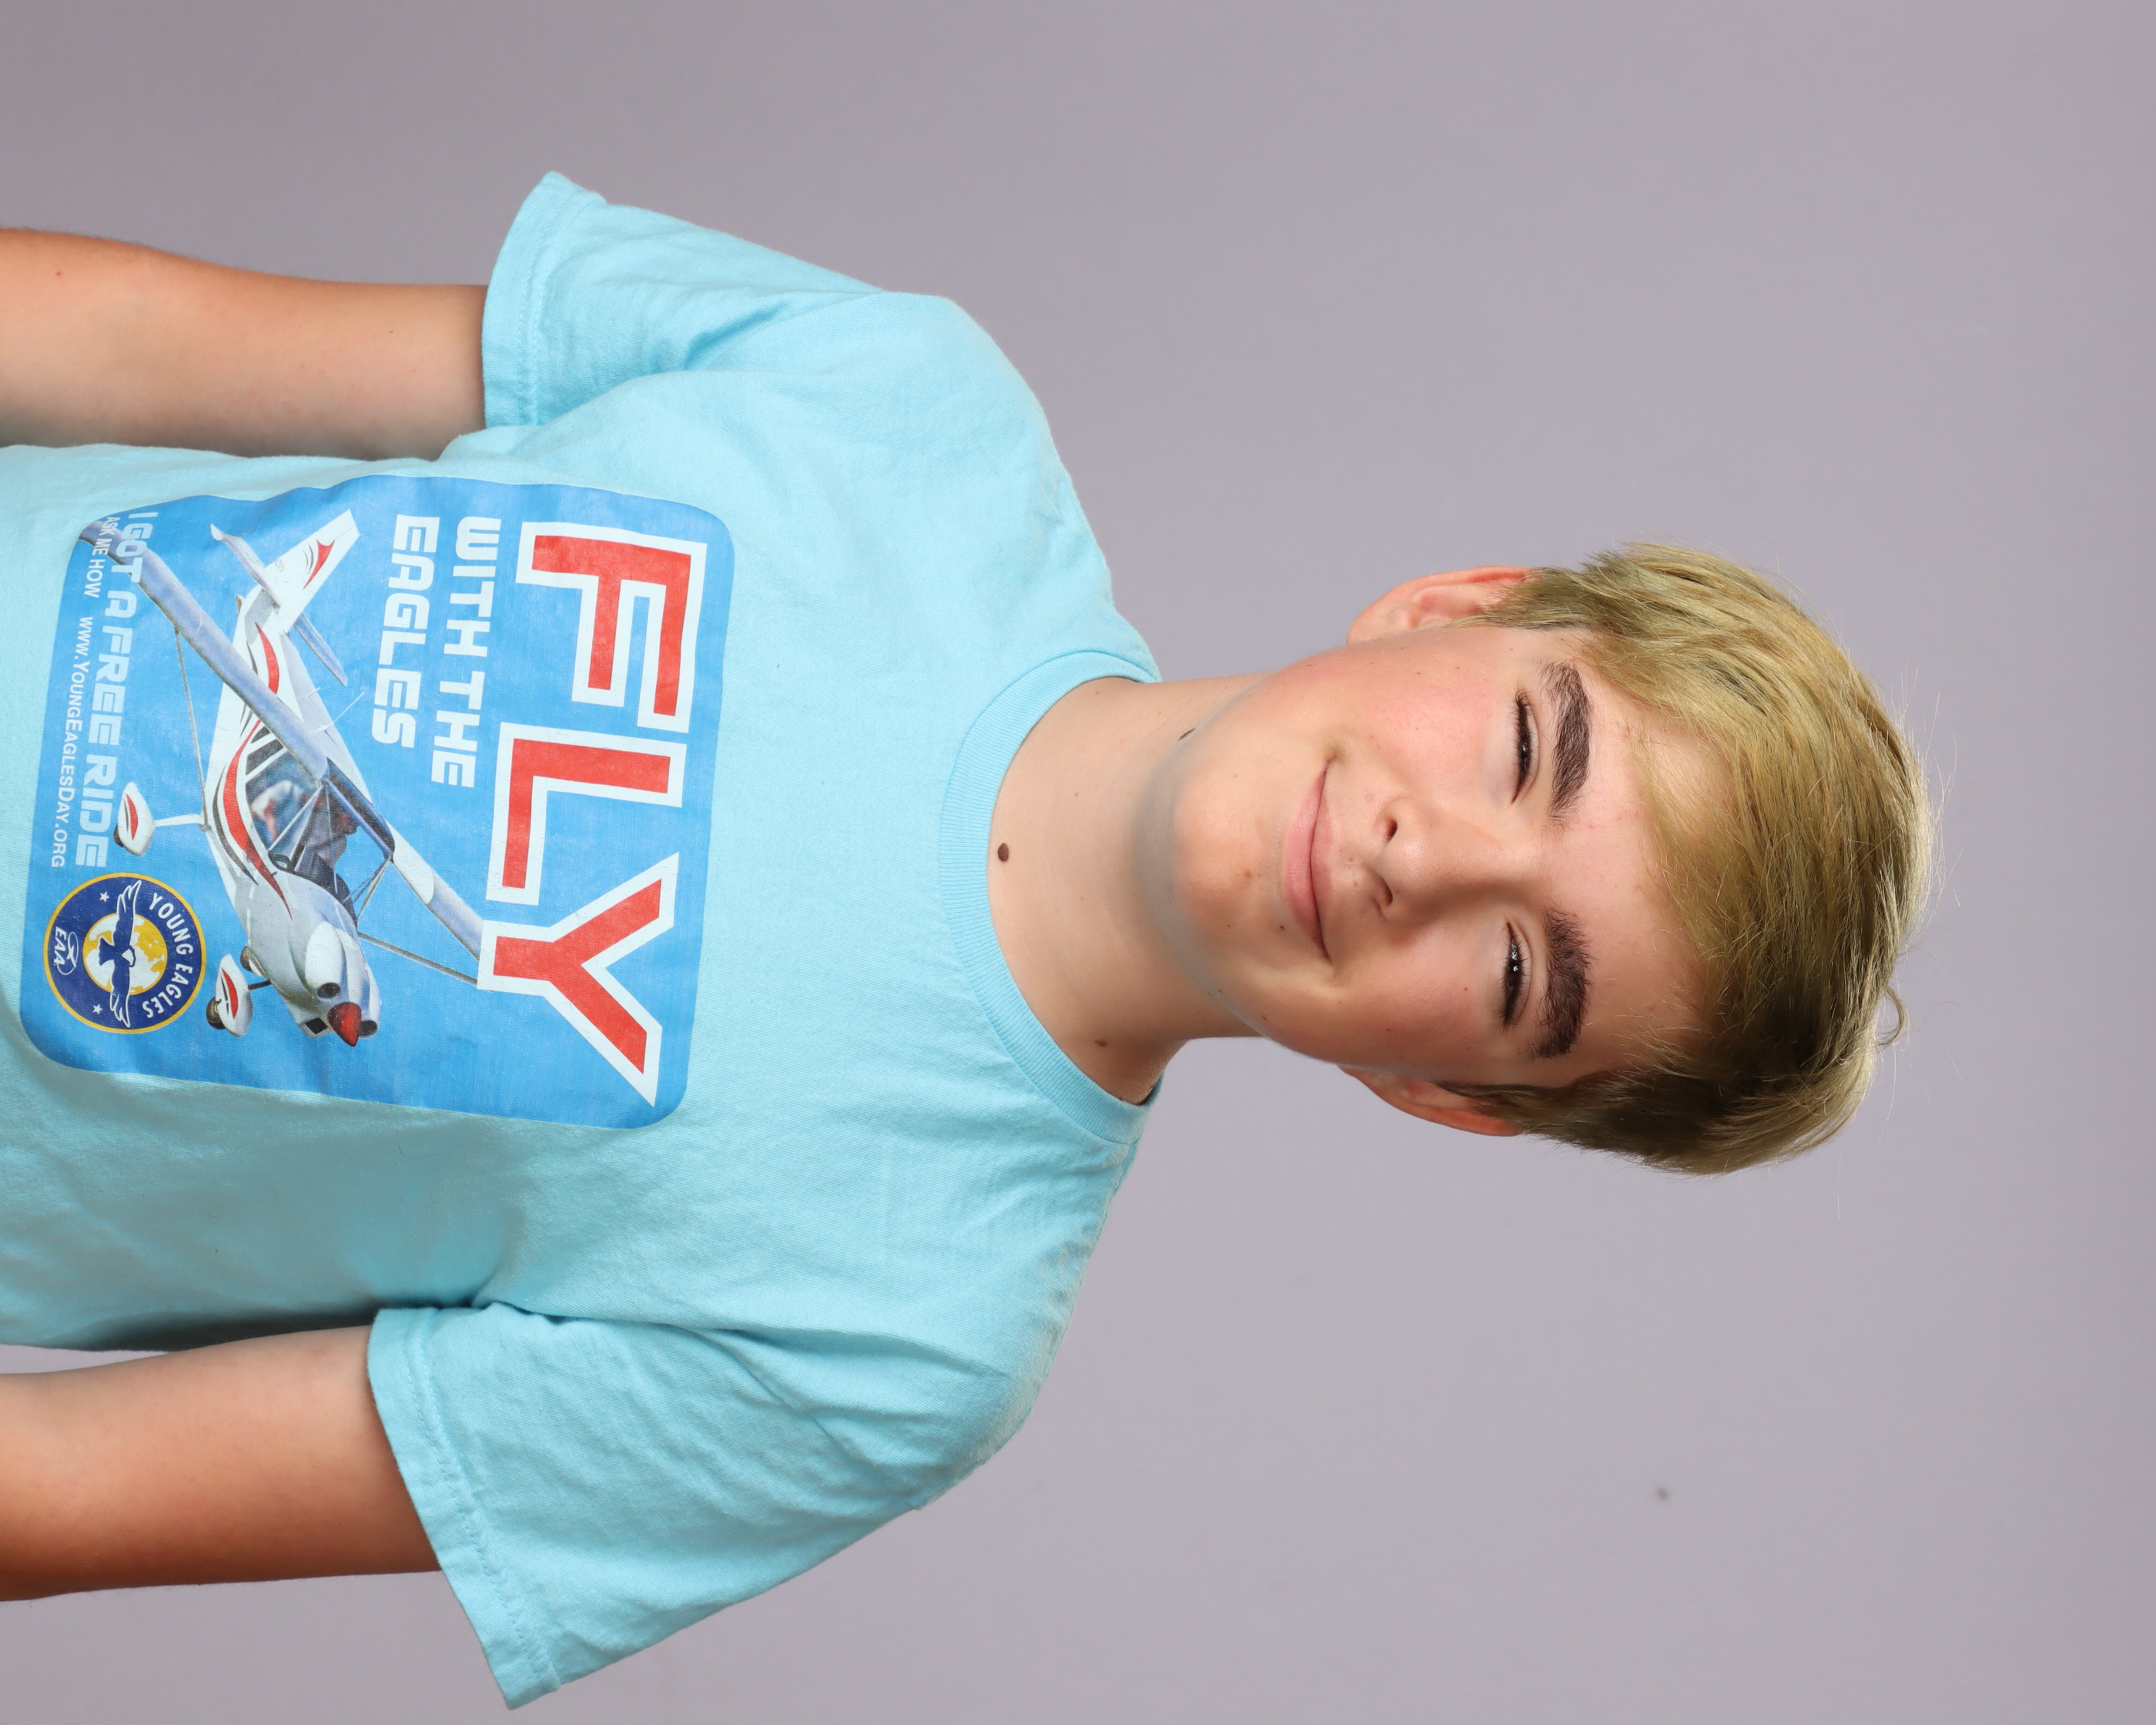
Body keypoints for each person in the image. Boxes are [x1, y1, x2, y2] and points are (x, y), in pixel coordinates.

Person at [0, 176, 1930, 1705]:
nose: (1428, 855)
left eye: (1522, 976)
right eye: (1528, 747)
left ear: (1449, 1094)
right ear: (1457, 608)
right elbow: (143, 342)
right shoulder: (905, 403)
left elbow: (69, 1489)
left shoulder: (909, 1340)